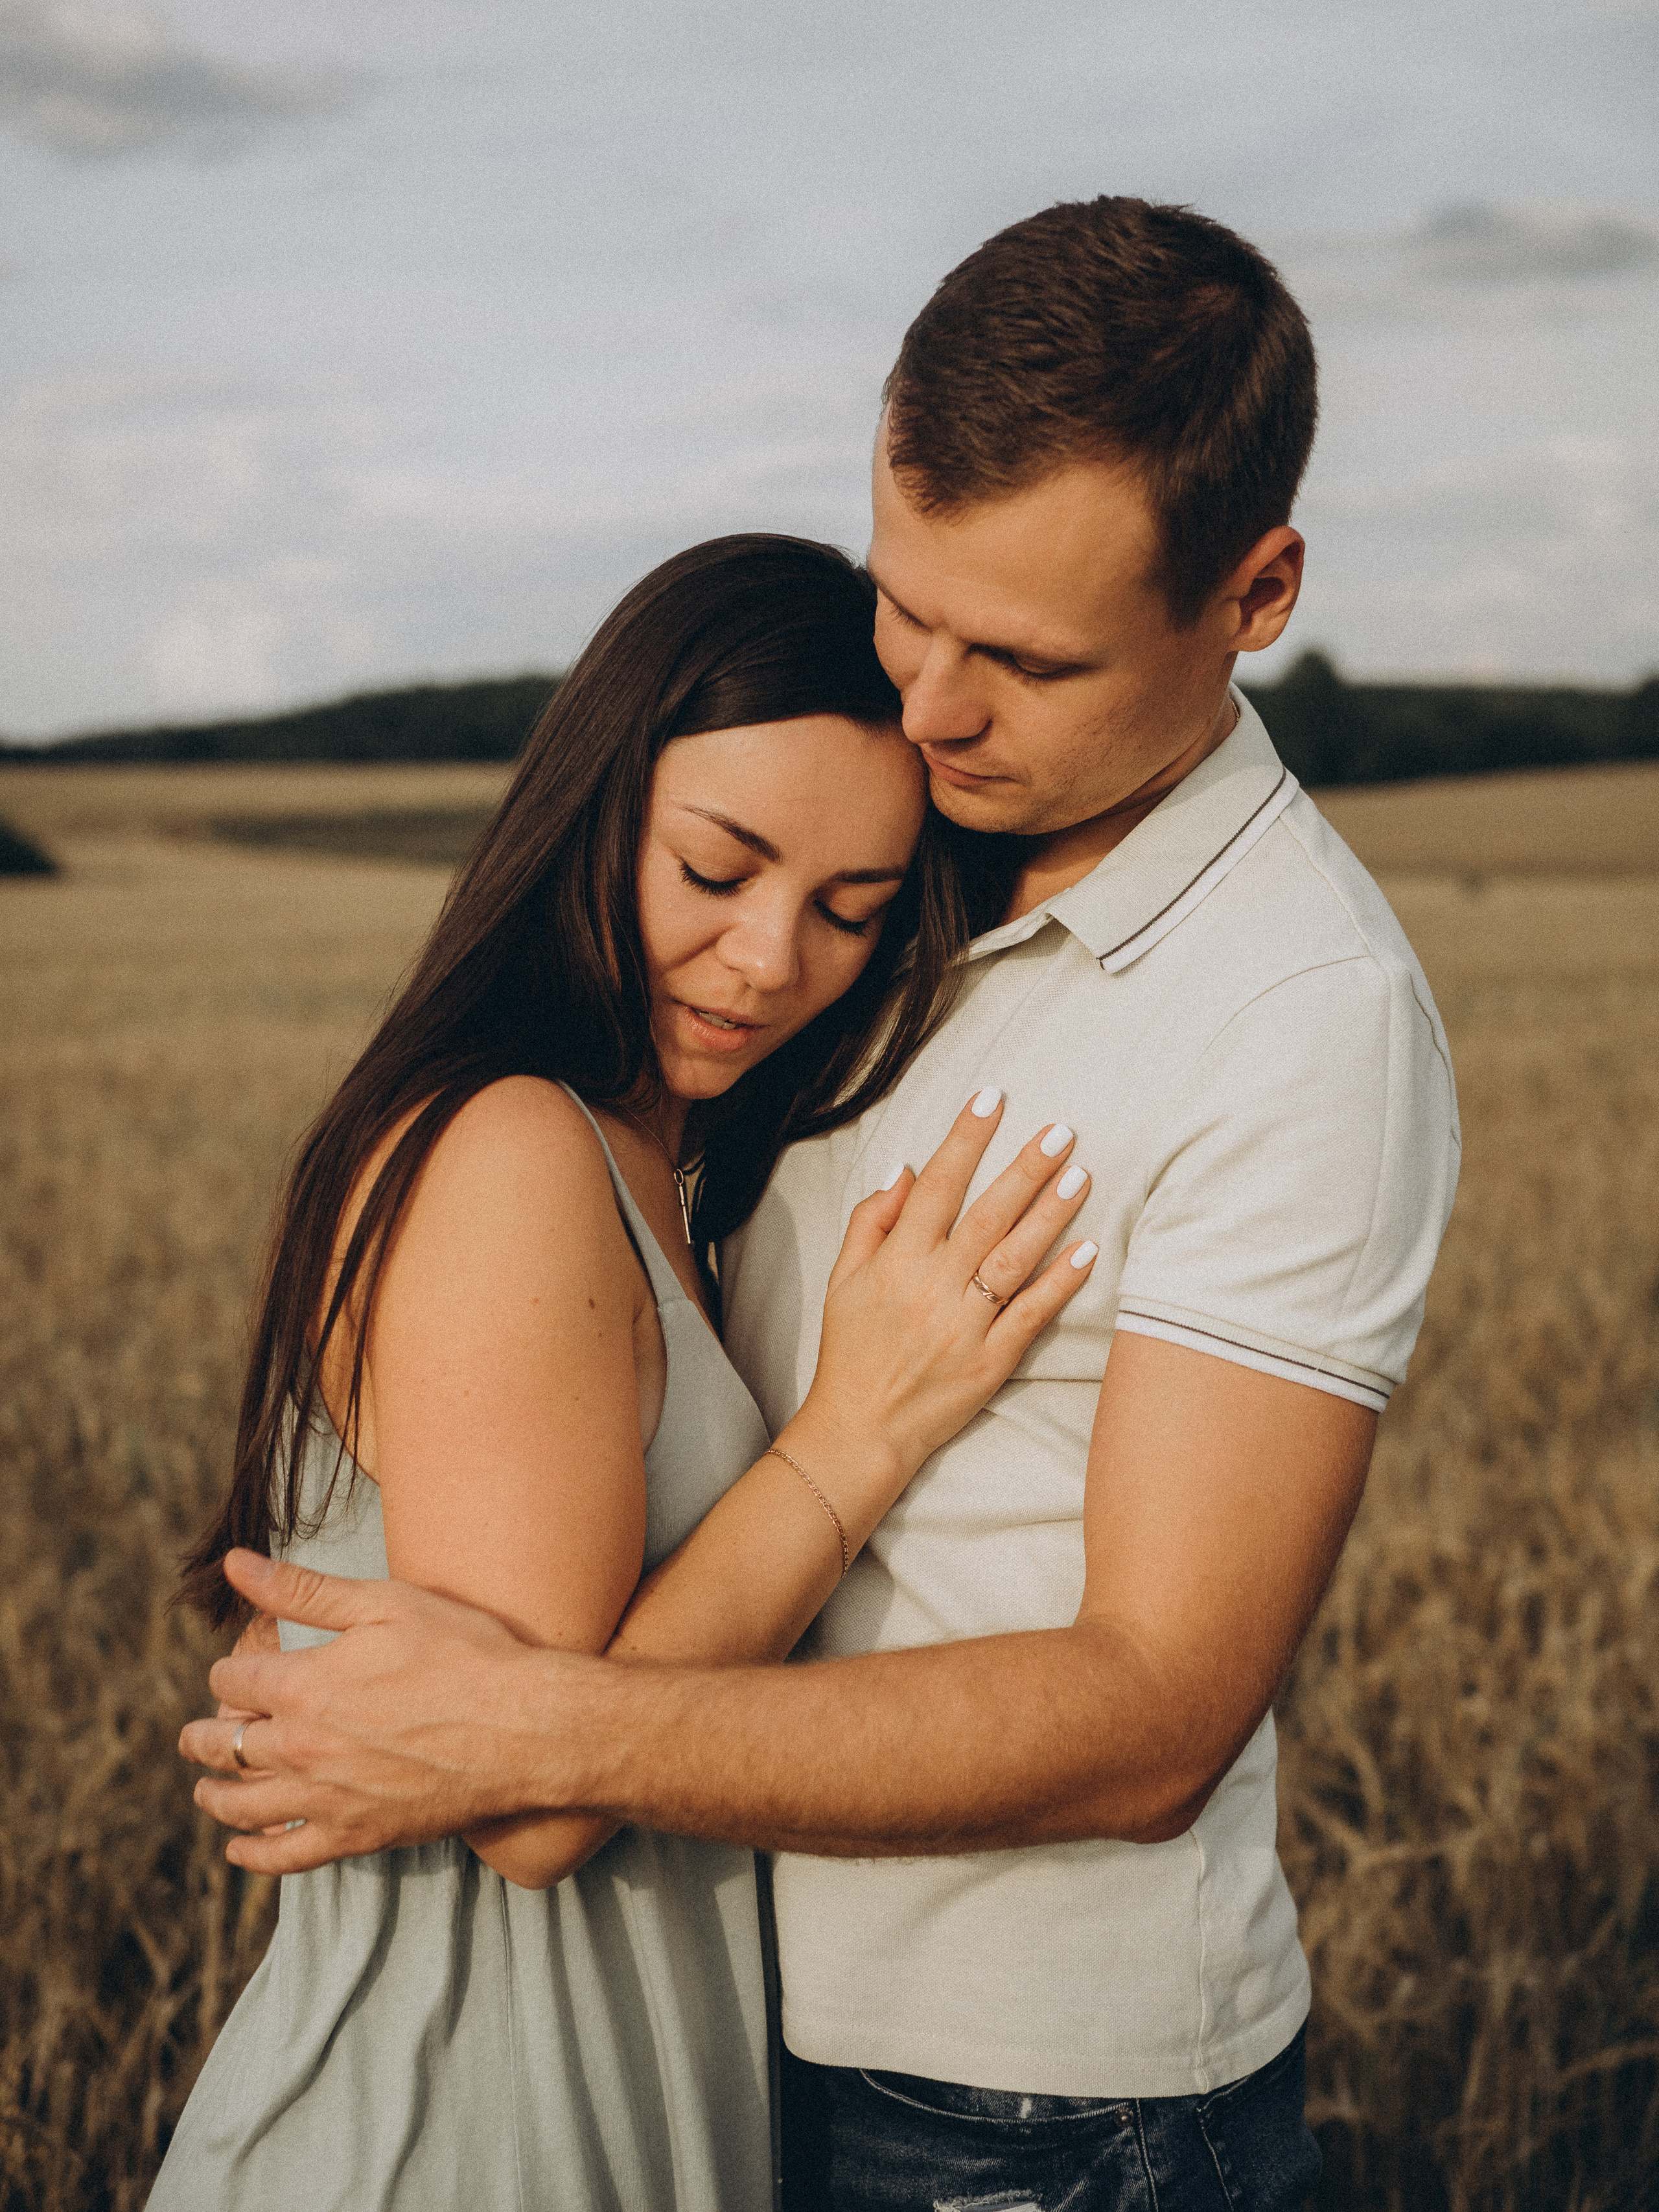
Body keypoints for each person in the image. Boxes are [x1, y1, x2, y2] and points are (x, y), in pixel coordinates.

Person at [187, 199, 1461, 2210]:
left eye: (1023, 657)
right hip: (728, 2041)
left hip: (1034, 2121)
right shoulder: (919, 882)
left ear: (1258, 589)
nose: (933, 709)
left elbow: (1157, 1715)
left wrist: (527, 1731)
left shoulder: (1300, 1015)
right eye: (904, 605)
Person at [153, 532, 1100, 2212]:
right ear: (597, 808)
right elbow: (530, 1808)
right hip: (456, 2139)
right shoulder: (518, 1149)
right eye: (716, 868)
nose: (767, 961)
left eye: (849, 913)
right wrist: (854, 1433)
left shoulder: (658, 1166)